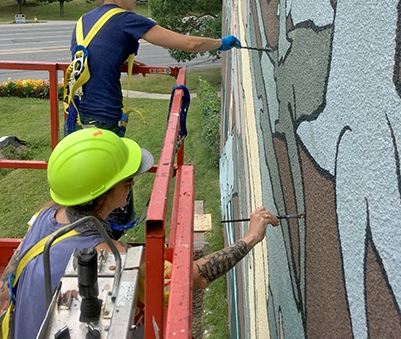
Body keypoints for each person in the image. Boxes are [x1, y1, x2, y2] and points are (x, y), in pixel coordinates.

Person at [0, 129, 279, 338]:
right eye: (129, 180)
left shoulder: (44, 216)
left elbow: (7, 282)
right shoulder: (111, 257)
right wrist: (250, 238)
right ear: (106, 192)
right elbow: (192, 277)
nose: (132, 185)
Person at [67, 0, 241, 135]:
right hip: (103, 120)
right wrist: (221, 43)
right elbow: (189, 44)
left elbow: (92, 57)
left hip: (75, 116)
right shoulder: (126, 20)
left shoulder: (83, 21)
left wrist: (117, 61)